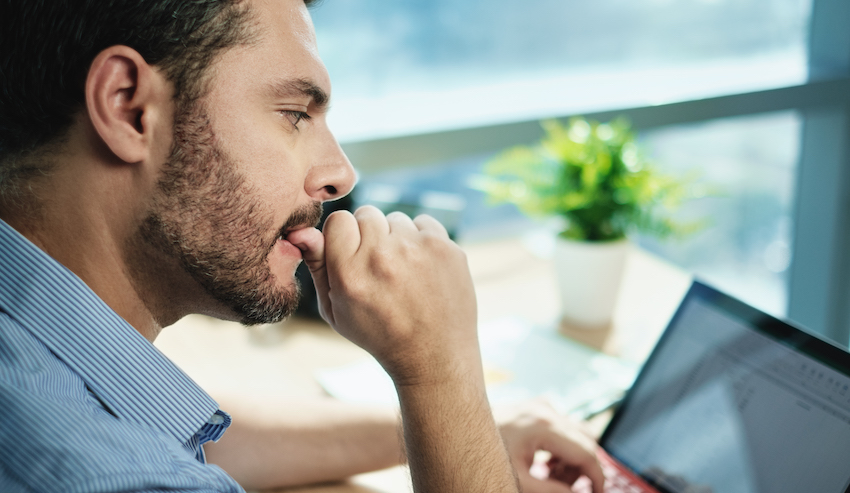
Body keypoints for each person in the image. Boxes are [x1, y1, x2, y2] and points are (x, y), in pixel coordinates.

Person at [0, 0, 605, 492]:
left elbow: (169, 432)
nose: (339, 173)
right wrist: (441, 376)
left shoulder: (42, 351)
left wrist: (462, 431)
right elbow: (139, 461)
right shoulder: (120, 477)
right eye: (294, 113)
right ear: (128, 107)